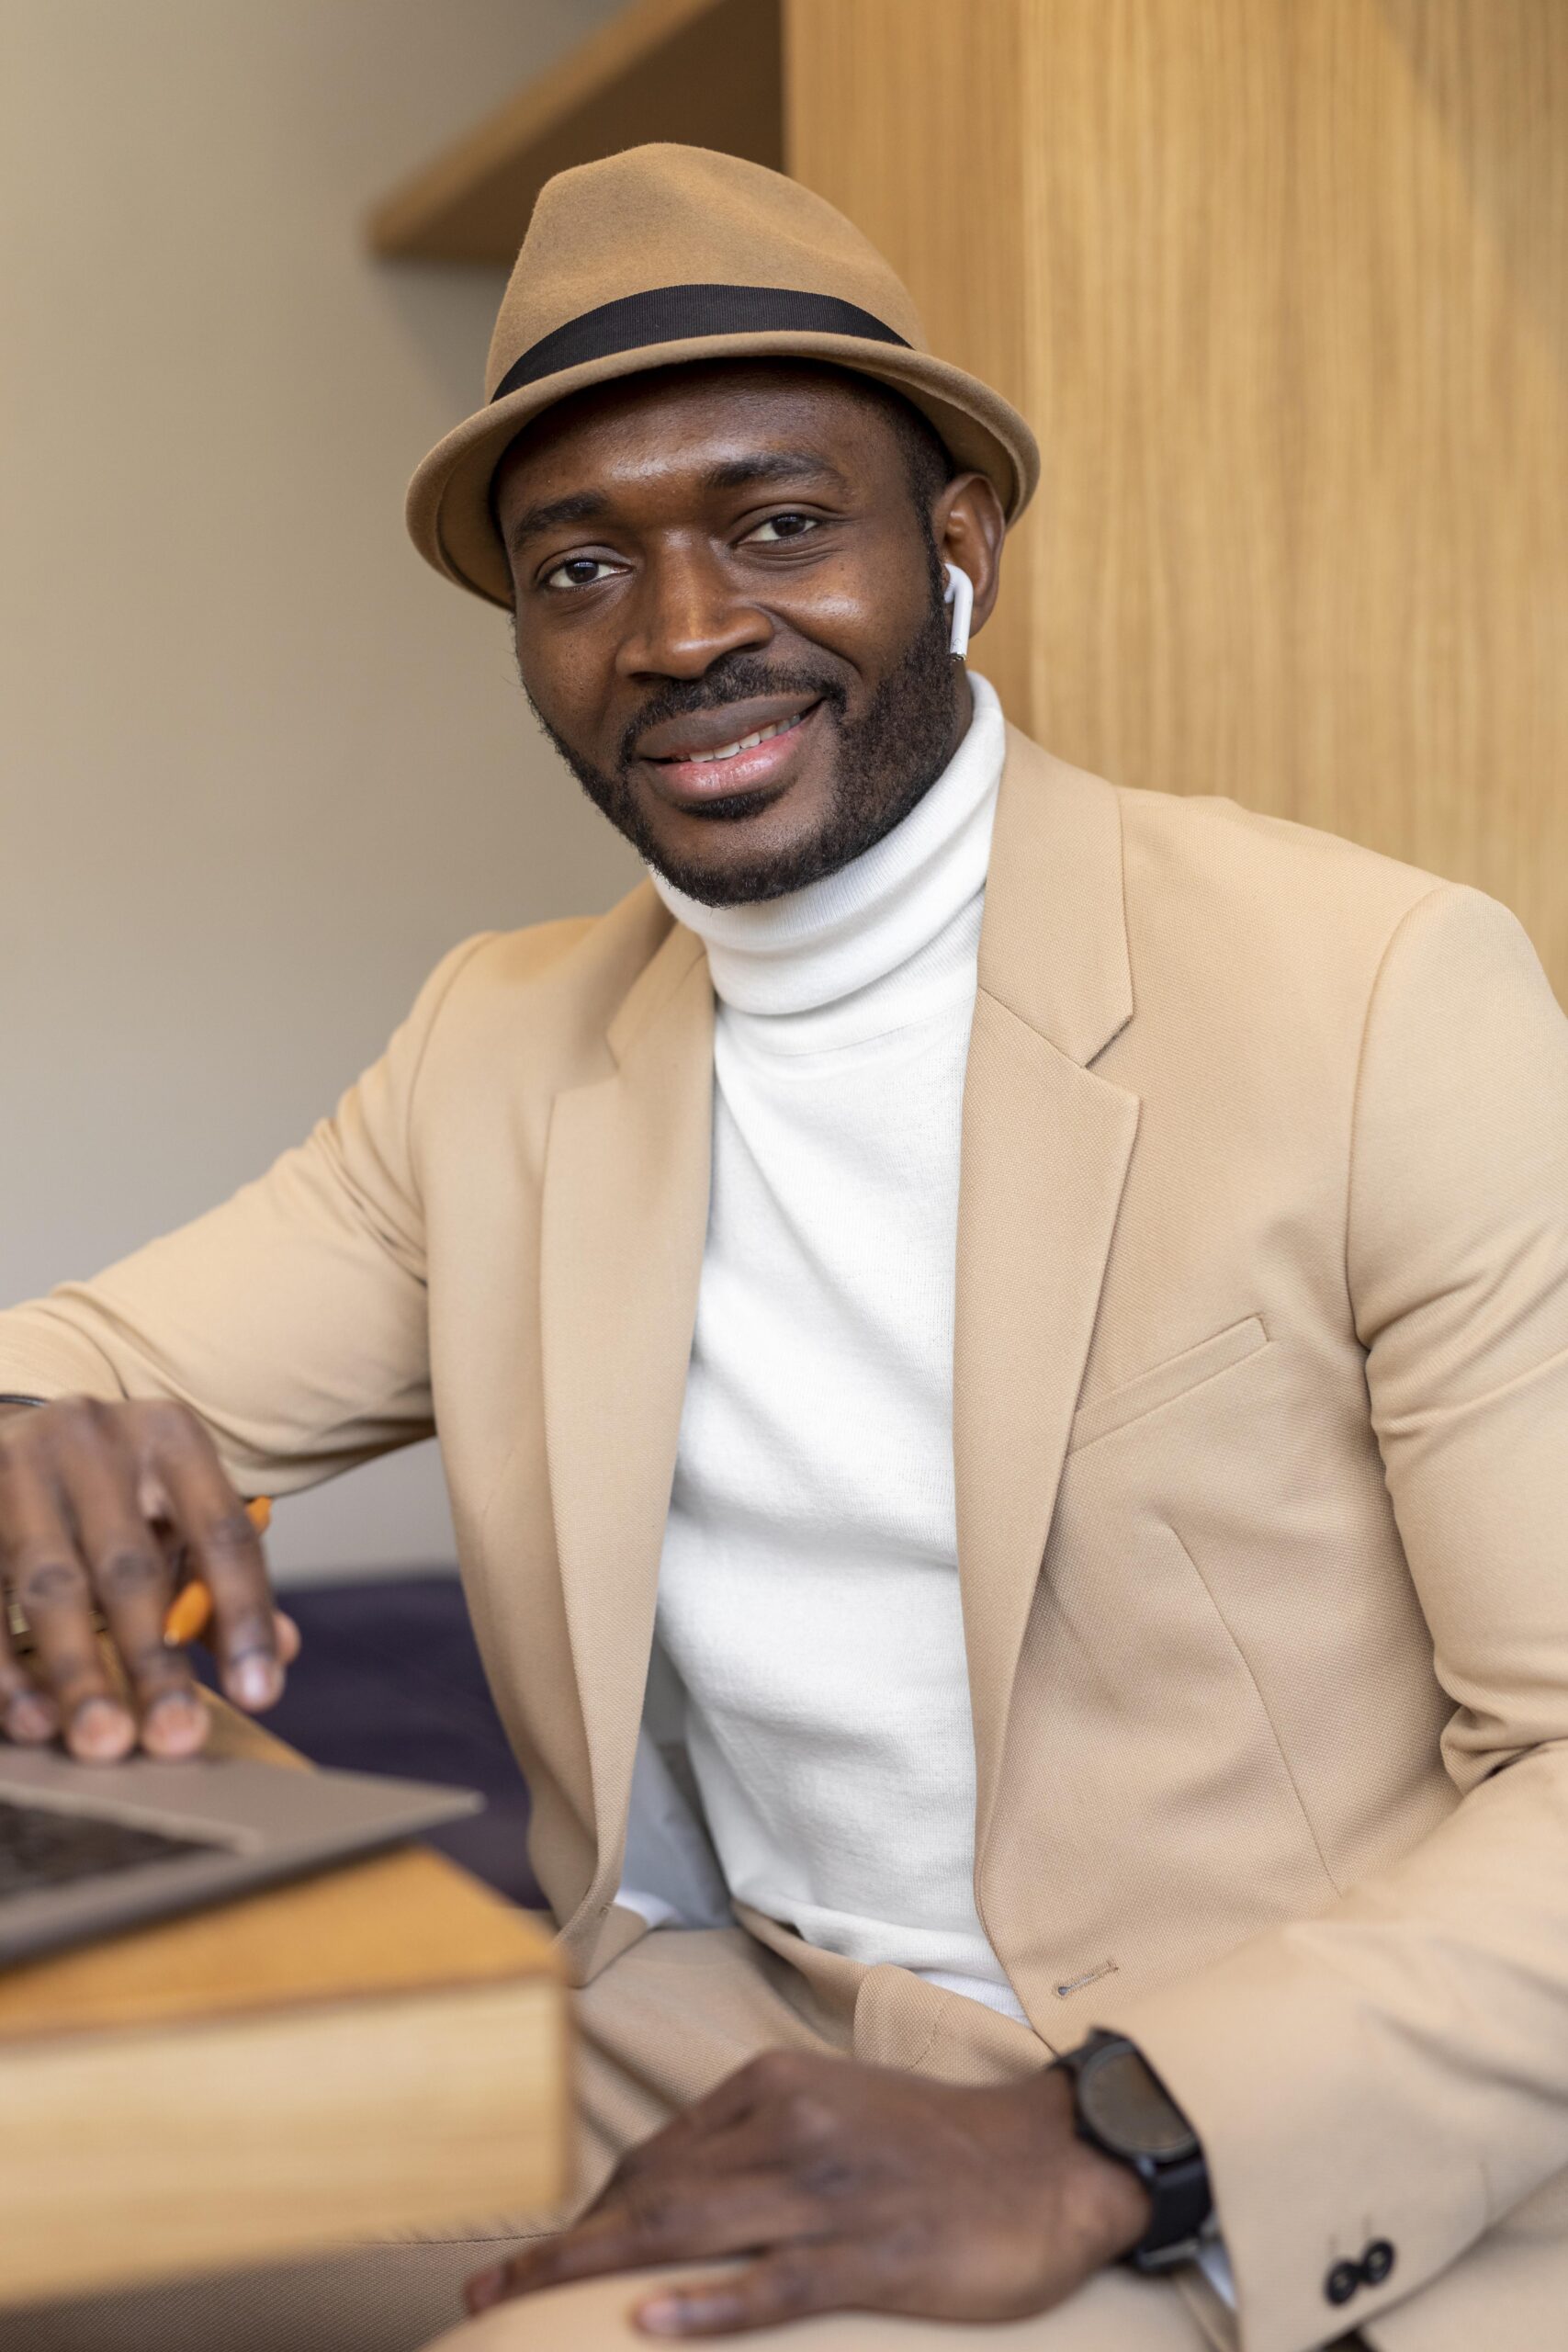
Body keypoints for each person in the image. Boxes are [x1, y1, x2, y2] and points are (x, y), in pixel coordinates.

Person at [1, 143, 1565, 2352]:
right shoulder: (500, 1042)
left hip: (1211, 2124)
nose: (678, 633)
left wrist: (1101, 2133)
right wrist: (26, 1431)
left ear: (955, 549)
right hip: (686, 2049)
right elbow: (84, 1363)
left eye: (774, 522)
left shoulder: (1381, 986)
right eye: (576, 566)